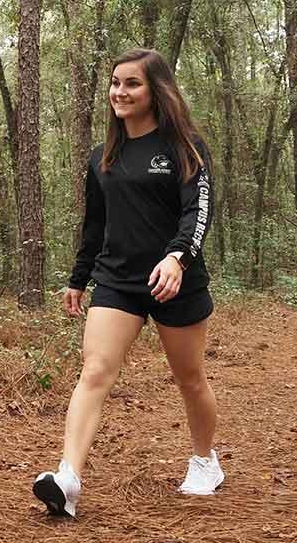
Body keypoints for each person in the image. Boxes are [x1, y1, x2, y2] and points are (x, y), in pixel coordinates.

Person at [33, 48, 221, 516]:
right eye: (115, 83)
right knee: (94, 370)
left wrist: (177, 258)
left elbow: (197, 212)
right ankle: (69, 477)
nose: (120, 91)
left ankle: (204, 461)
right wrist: (78, 278)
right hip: (117, 281)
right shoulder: (103, 158)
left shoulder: (185, 146)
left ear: (155, 90)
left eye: (132, 83)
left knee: (190, 379)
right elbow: (94, 225)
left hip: (175, 280)